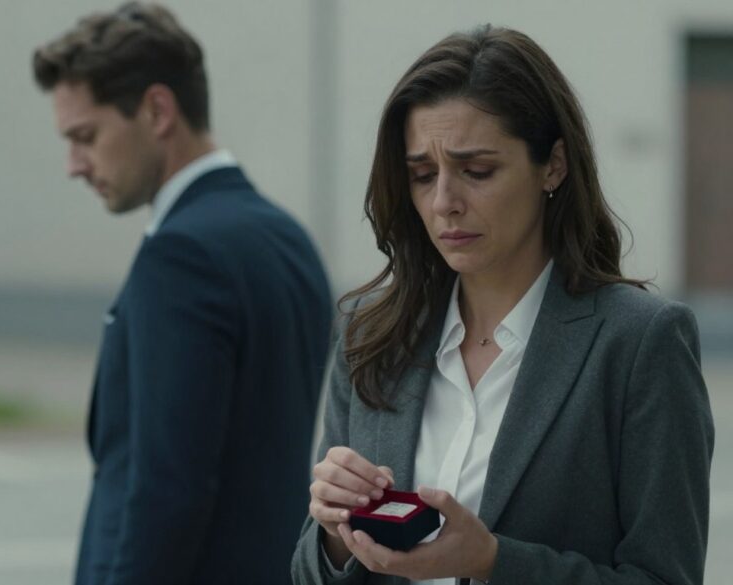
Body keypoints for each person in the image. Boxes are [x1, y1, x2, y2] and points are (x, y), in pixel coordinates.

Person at [292, 25, 714, 585]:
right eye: (422, 175)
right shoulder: (370, 334)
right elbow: (310, 570)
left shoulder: (639, 343)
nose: (444, 202)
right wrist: (333, 535)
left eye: (477, 171)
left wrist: (492, 561)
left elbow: (665, 576)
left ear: (553, 165)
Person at [32, 3, 333, 584]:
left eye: (86, 137)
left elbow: (166, 491)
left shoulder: (179, 256)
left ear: (157, 110)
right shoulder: (287, 238)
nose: (74, 165)